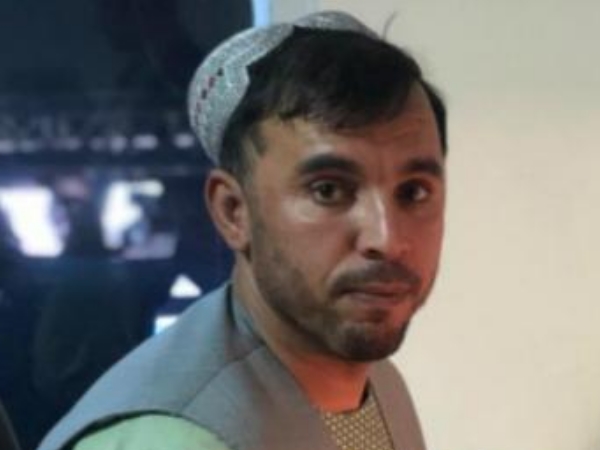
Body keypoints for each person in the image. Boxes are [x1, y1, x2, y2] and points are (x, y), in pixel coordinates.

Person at [37, 10, 447, 450]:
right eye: (328, 190)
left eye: (413, 192)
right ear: (234, 212)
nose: (387, 239)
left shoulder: (372, 379)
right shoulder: (172, 439)